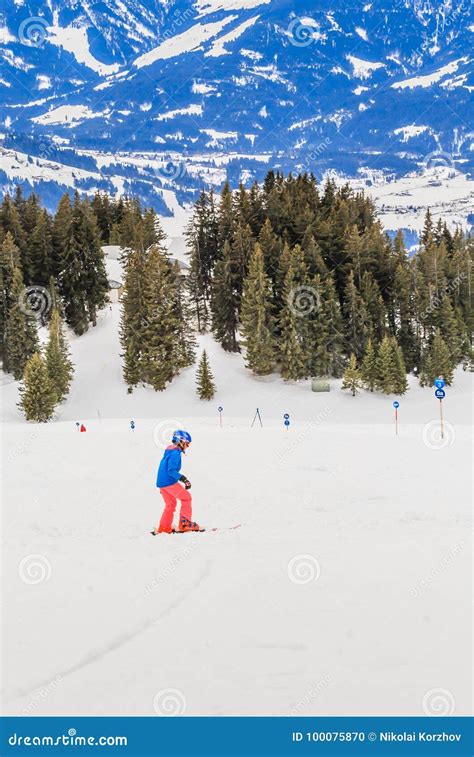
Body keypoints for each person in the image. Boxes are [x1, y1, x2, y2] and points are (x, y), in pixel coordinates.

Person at [153, 430, 202, 534]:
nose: (187, 446)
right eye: (187, 444)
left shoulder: (170, 451)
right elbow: (171, 470)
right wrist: (184, 479)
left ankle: (164, 527)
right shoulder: (175, 453)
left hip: (162, 483)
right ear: (181, 441)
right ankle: (185, 524)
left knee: (170, 504)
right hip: (169, 482)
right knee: (186, 498)